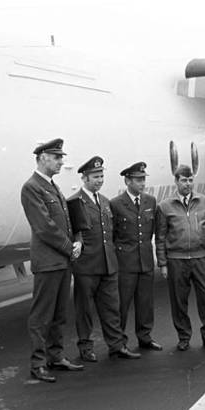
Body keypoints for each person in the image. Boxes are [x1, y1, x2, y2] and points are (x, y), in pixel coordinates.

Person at [20, 138, 85, 383]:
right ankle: (38, 364)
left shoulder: (52, 186)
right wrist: (71, 248)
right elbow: (44, 228)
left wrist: (76, 242)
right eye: (57, 157)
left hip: (61, 261)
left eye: (61, 157)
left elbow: (67, 221)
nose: (61, 162)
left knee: (59, 313)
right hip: (48, 262)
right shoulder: (32, 187)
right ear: (43, 158)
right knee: (41, 316)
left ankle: (55, 357)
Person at [67, 156, 139, 361]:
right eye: (95, 176)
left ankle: (117, 345)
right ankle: (85, 348)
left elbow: (112, 232)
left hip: (108, 265)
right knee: (84, 311)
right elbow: (73, 233)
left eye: (101, 176)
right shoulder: (74, 203)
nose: (99, 180)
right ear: (84, 178)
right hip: (86, 266)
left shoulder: (105, 202)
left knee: (111, 309)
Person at [154, 165, 205, 352]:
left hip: (201, 258)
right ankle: (183, 337)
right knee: (179, 301)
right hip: (176, 260)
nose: (188, 184)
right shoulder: (164, 206)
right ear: (176, 181)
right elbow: (160, 238)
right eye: (184, 180)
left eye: (190, 180)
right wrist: (163, 264)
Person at [110, 162, 162, 351]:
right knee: (122, 305)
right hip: (125, 263)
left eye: (143, 179)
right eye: (138, 180)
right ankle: (119, 342)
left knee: (145, 303)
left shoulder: (150, 201)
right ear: (127, 181)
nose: (142, 183)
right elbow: (112, 235)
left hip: (145, 261)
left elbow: (153, 231)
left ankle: (145, 337)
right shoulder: (116, 204)